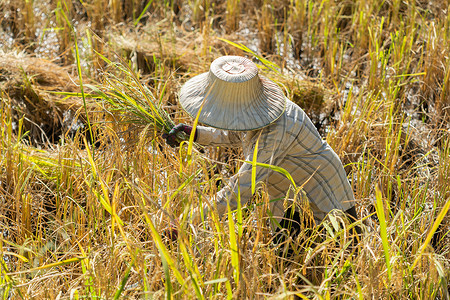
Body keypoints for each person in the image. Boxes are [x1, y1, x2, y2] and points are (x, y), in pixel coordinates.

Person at [163, 55, 359, 247]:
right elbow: (234, 134)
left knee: (340, 254)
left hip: (320, 191)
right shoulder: (249, 113)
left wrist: (191, 218)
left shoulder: (275, 131)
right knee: (287, 257)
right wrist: (195, 134)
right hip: (286, 193)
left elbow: (239, 191)